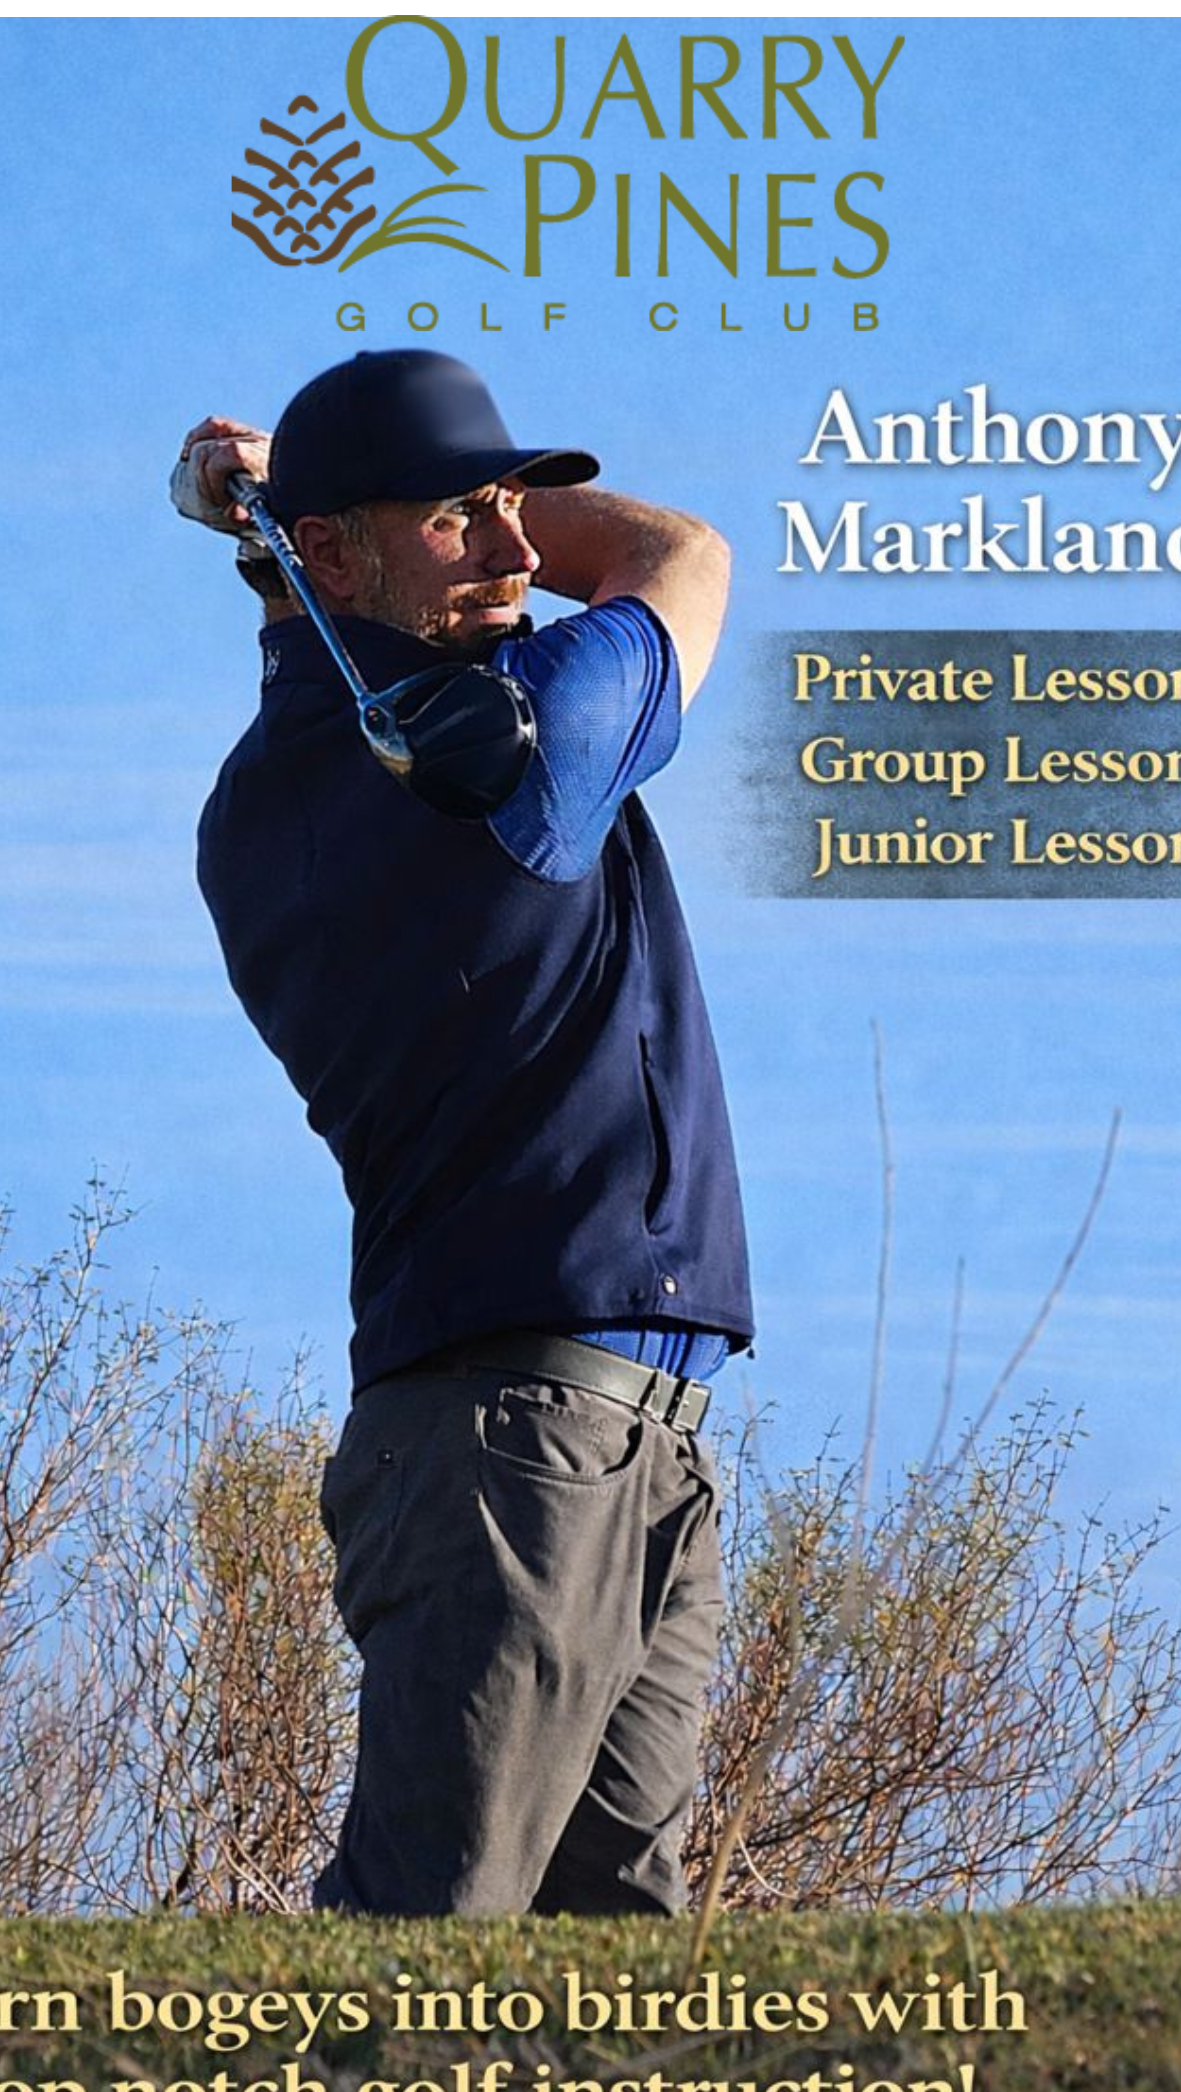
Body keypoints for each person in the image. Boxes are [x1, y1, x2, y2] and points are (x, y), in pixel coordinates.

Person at [174, 349, 754, 1917]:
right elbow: (677, 557)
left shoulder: (264, 802)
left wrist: (294, 531)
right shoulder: (522, 741)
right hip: (522, 1435)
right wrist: (292, 497)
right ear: (345, 551)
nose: (512, 552)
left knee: (611, 1960)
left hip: (611, 1423)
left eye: (514, 510)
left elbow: (348, 632)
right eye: (461, 521)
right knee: (428, 1935)